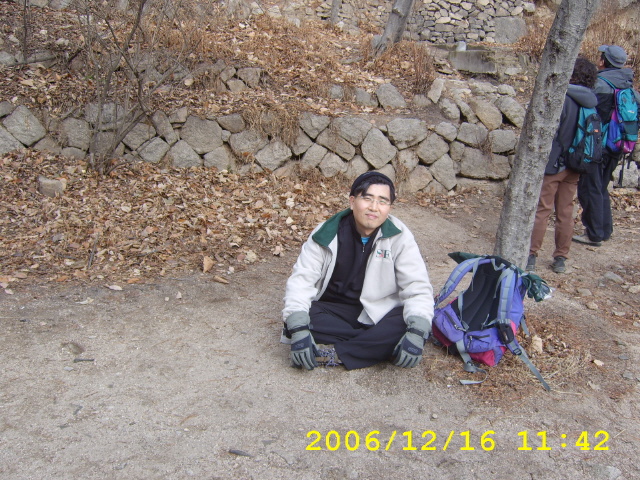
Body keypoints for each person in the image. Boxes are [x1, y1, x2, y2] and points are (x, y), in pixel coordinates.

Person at [281, 171, 434, 371]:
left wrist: (416, 333)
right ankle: (379, 345)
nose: (374, 207)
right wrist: (299, 329)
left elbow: (417, 286)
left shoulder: (399, 236)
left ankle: (338, 353)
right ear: (352, 201)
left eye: (382, 201)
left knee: (410, 321)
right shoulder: (326, 233)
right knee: (297, 320)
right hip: (335, 310)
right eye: (367, 198)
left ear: (389, 208)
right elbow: (302, 281)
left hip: (379, 310)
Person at [527, 57, 599, 274]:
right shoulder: (591, 102)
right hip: (576, 165)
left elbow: (552, 132)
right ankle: (560, 258)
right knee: (565, 212)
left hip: (554, 164)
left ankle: (531, 255)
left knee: (542, 210)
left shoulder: (562, 98)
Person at [574, 45, 640, 247]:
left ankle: (594, 234)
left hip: (597, 145)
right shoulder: (629, 87)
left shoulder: (600, 85)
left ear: (603, 61)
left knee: (589, 188)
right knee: (601, 186)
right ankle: (604, 230)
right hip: (618, 145)